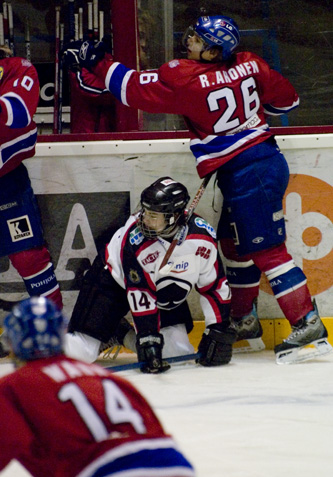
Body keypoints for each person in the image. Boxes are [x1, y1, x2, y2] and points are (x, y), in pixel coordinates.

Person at [63, 13, 332, 365]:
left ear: (211, 52)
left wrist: (95, 60)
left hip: (252, 171)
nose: (189, 40)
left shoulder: (187, 79)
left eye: (197, 39)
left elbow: (130, 89)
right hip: (254, 164)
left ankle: (308, 324)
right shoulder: (251, 63)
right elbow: (288, 102)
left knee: (268, 251)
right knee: (233, 246)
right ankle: (245, 321)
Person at [0, 296, 209, 477]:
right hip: (178, 475)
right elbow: (153, 431)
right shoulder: (107, 378)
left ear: (13, 341)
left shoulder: (14, 386)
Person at [64, 177, 235, 373]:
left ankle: (120, 333)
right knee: (80, 353)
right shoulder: (136, 242)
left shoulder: (202, 240)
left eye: (153, 216)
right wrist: (148, 340)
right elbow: (141, 294)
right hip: (112, 280)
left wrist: (218, 329)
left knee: (176, 355)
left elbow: (214, 286)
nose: (144, 220)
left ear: (173, 217)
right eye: (145, 212)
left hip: (160, 289)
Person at [0, 46, 63, 358]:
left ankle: (53, 335)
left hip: (7, 183)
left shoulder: (18, 68)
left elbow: (15, 114)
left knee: (30, 259)